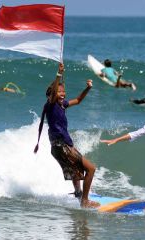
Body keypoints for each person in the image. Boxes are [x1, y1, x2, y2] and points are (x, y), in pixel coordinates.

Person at [34, 63, 100, 208]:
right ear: (52, 93)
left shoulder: (61, 104)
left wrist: (87, 88)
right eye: (59, 91)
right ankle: (85, 201)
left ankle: (78, 194)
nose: (62, 94)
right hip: (61, 146)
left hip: (58, 146)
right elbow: (53, 96)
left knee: (75, 170)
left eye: (63, 91)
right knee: (91, 169)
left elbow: (78, 100)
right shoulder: (51, 104)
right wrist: (58, 74)